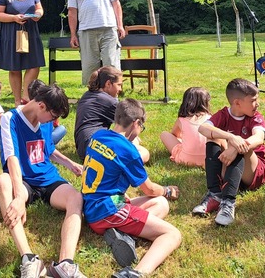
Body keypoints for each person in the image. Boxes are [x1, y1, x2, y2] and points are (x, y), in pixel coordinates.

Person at [82, 98, 181, 278]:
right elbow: (149, 189)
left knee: (160, 204)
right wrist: (167, 190)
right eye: (141, 127)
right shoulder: (128, 150)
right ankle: (135, 273)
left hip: (92, 206)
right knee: (172, 234)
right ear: (136, 123)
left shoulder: (97, 136)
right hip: (108, 211)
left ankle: (124, 236)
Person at [0, 83, 87, 278]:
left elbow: (48, 149)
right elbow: (12, 158)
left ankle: (65, 265)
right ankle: (29, 259)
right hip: (23, 181)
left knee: (76, 198)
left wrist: (70, 164)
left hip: (47, 179)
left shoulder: (45, 120)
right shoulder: (10, 119)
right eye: (53, 117)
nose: (53, 122)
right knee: (2, 181)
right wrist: (19, 197)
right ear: (42, 106)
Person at [191, 78, 265, 226]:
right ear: (237, 103)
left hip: (253, 172)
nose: (257, 104)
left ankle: (228, 203)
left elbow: (259, 138)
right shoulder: (223, 114)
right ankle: (215, 194)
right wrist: (231, 137)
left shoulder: (256, 117)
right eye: (253, 100)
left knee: (243, 146)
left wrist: (235, 146)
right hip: (230, 170)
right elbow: (203, 128)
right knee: (213, 137)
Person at [67, 0, 125, 86]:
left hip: (108, 28)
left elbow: (116, 3)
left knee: (111, 65)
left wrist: (120, 25)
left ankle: (113, 96)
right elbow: (72, 11)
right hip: (86, 30)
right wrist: (73, 35)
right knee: (90, 68)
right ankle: (93, 96)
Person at [0, 0, 46, 106]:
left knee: (34, 64)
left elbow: (39, 9)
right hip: (11, 34)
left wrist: (37, 15)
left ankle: (26, 97)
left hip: (31, 32)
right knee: (15, 67)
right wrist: (14, 18)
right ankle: (17, 101)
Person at [73, 67, 150, 163]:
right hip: (96, 146)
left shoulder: (87, 94)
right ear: (108, 84)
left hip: (82, 148)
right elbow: (132, 122)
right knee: (144, 152)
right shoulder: (109, 102)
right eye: (119, 85)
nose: (120, 89)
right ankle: (125, 161)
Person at [160, 87, 212, 167]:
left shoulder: (182, 120)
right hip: (208, 159)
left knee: (164, 134)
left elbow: (174, 135)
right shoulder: (211, 119)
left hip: (185, 159)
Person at [28, 79, 66, 146]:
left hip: (37, 143)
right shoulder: (48, 111)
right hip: (44, 142)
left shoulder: (27, 109)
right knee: (62, 128)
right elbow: (56, 125)